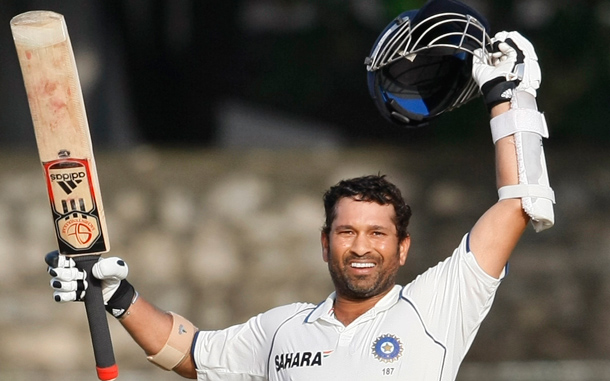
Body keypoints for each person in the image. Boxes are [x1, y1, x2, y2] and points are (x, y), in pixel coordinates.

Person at [46, 30, 554, 381]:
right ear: (324, 243)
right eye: (347, 231)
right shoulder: (282, 330)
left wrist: (509, 97)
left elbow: (519, 203)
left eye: (378, 234)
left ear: (403, 249)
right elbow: (191, 354)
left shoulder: (436, 308)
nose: (361, 246)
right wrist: (119, 297)